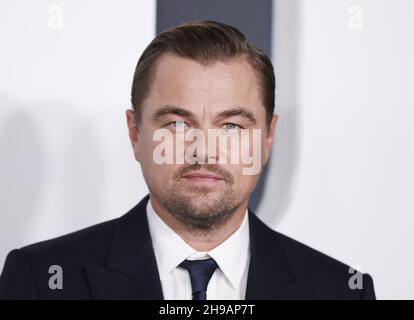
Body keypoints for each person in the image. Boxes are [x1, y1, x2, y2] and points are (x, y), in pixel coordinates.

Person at [0, 20, 375, 300]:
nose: (204, 150)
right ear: (136, 134)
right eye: (178, 124)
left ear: (267, 138)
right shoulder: (41, 281)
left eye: (231, 125)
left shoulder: (340, 291)